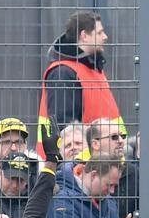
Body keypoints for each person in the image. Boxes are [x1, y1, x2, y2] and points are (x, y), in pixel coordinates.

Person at [37, 11, 121, 157]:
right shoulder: (63, 73)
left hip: (98, 164)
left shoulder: (91, 70)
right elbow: (64, 130)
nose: (105, 37)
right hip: (78, 167)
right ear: (84, 36)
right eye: (100, 32)